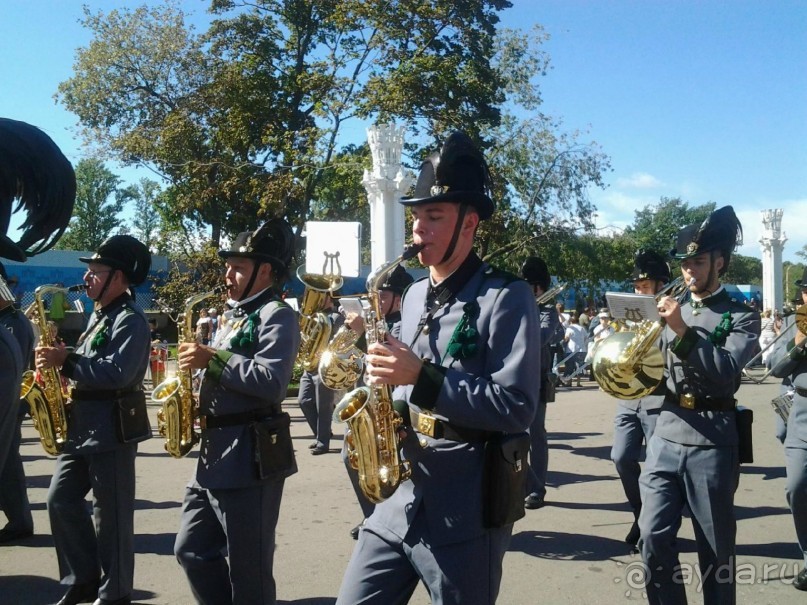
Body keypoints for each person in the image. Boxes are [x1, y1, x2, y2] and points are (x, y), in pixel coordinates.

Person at [336, 131, 540, 604]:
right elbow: (402, 382)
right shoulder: (410, 295)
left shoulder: (507, 296)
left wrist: (421, 377)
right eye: (415, 217)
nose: (418, 230)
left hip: (465, 505)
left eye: (433, 216)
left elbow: (516, 407)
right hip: (398, 494)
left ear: (469, 223)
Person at [174, 218, 300, 605]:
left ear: (265, 271)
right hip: (213, 453)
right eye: (227, 266)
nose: (228, 275)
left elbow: (271, 382)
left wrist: (212, 359)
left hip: (250, 456)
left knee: (249, 570)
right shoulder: (235, 314)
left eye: (238, 268)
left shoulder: (277, 315)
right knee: (190, 548)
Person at [638, 206, 760, 605]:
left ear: (719, 263)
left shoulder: (741, 316)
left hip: (712, 439)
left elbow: (725, 371)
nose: (689, 271)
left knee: (715, 552)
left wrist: (680, 330)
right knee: (652, 537)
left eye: (699, 262)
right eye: (685, 263)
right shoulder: (673, 309)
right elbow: (650, 368)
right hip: (666, 432)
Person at [37, 235, 153, 605]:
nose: (86, 279)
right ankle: (83, 578)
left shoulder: (130, 320)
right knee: (60, 499)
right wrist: (60, 359)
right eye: (87, 272)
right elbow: (89, 364)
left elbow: (117, 372)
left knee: (112, 518)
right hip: (83, 425)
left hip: (113, 427)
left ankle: (115, 593)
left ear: (117, 277)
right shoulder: (100, 314)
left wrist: (66, 361)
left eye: (94, 272)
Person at [342, 265, 414, 539]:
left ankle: (381, 518)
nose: (377, 301)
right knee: (352, 456)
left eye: (384, 295)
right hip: (378, 401)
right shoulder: (383, 321)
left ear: (399, 298)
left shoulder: (404, 323)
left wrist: (361, 334)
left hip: (397, 406)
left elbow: (389, 360)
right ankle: (376, 516)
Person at [610, 249, 670, 549]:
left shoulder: (673, 312)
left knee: (656, 468)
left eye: (644, 286)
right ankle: (640, 512)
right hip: (629, 397)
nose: (638, 291)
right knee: (620, 457)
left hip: (658, 398)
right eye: (636, 287)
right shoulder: (631, 314)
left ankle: (651, 526)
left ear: (661, 285)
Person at [772, 267, 807, 590]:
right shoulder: (798, 324)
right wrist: (799, 345)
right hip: (801, 416)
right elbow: (773, 369)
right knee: (796, 488)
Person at [521, 256, 563, 510]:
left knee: (535, 434)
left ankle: (536, 488)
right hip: (511, 379)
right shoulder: (518, 306)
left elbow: (541, 337)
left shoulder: (547, 311)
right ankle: (519, 484)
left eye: (529, 285)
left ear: (538, 288)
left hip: (536, 380)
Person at [0, 263, 36, 544]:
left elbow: (19, 367)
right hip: (11, 399)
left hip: (12, 399)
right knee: (9, 463)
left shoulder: (13, 321)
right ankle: (19, 519)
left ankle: (20, 521)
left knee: (9, 463)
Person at [298, 292, 343, 455]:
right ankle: (321, 433)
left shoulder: (336, 318)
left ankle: (323, 442)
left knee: (323, 406)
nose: (318, 300)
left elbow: (338, 343)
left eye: (321, 297)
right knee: (303, 400)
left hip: (325, 366)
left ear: (329, 299)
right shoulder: (313, 317)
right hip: (310, 366)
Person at [562, 313, 587, 387]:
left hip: (571, 349)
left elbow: (566, 338)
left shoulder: (570, 328)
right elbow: (586, 338)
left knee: (569, 366)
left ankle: (569, 382)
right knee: (579, 367)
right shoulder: (582, 328)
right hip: (581, 349)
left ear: (570, 321)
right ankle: (578, 383)